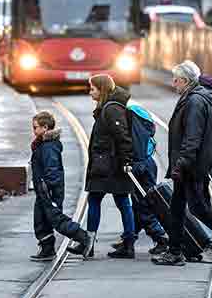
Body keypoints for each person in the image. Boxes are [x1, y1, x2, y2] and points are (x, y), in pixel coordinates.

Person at [152, 60, 212, 269]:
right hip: (191, 164)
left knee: (198, 208)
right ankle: (175, 251)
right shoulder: (196, 97)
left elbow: (192, 138)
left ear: (186, 81)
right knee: (177, 208)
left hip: (192, 166)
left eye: (176, 80)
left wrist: (181, 165)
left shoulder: (195, 102)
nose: (173, 84)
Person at [67, 74, 136, 259]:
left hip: (109, 165)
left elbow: (123, 138)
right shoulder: (108, 107)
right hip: (109, 163)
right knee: (122, 202)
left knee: (98, 200)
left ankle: (90, 245)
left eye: (93, 89)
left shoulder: (111, 110)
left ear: (102, 90)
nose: (90, 93)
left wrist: (127, 162)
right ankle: (128, 245)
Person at [110, 88, 170, 255]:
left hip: (136, 164)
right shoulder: (138, 111)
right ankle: (129, 236)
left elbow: (128, 142)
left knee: (142, 203)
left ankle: (160, 238)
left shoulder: (126, 116)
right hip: (148, 162)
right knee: (146, 201)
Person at [29, 110, 92, 261]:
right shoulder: (42, 144)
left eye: (35, 127)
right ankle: (47, 248)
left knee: (56, 219)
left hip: (49, 189)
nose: (34, 130)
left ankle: (83, 238)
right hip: (43, 189)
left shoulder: (49, 147)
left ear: (45, 128)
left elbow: (53, 169)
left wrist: (47, 186)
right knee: (40, 219)